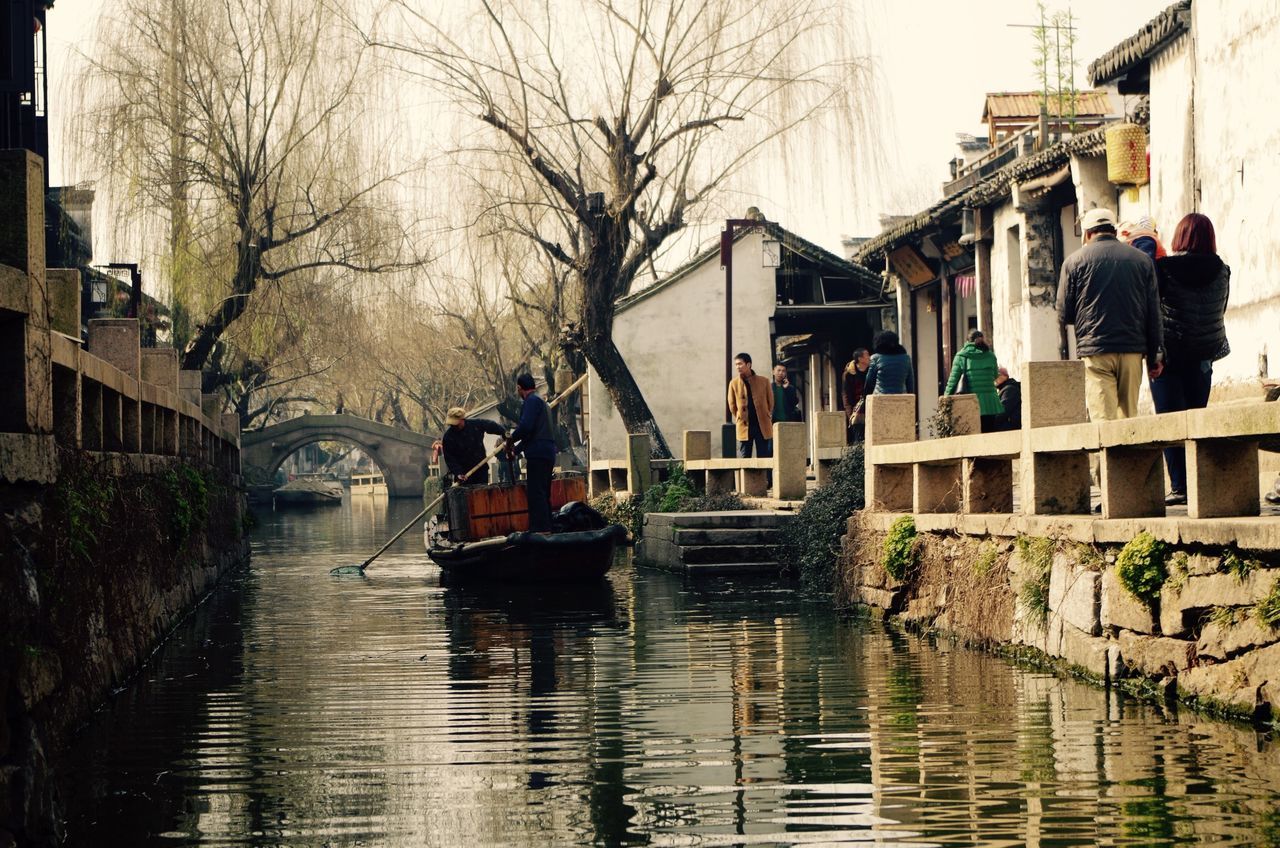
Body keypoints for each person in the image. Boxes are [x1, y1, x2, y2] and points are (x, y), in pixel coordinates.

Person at [1151, 212, 1231, 505]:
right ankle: (1199, 484)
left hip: (1169, 358)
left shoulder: (1163, 269)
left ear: (1179, 236)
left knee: (1170, 424)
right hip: (1203, 358)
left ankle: (1180, 487)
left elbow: (1153, 311)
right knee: (1197, 422)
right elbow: (1220, 308)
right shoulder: (1223, 270)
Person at [1056, 207, 1164, 422]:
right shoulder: (1142, 260)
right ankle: (1129, 456)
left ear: (1087, 234)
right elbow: (1154, 311)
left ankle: (1108, 456)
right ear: (1114, 231)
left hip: (1096, 351)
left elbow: (1065, 312)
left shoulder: (1074, 261)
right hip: (1133, 350)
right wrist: (1155, 356)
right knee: (1128, 420)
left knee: (1103, 422)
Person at [506, 374, 557, 532]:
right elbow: (531, 434)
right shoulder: (543, 404)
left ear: (520, 388)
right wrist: (516, 449)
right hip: (547, 452)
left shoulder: (531, 402)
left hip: (538, 454)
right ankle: (547, 527)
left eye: (517, 389)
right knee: (543, 492)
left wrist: (510, 439)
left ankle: (540, 529)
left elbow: (526, 428)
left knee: (536, 493)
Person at [943, 329, 1004, 432]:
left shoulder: (961, 356)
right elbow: (994, 375)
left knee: (974, 436)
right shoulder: (990, 355)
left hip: (971, 401)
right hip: (991, 402)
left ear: (967, 341)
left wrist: (945, 399)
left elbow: (953, 381)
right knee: (990, 434)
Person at [437, 406, 507, 486]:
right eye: (452, 425)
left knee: (481, 495)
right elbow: (450, 458)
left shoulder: (475, 424)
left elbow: (492, 426)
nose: (454, 427)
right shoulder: (448, 437)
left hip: (481, 469)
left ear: (462, 419)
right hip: (464, 475)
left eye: (456, 424)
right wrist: (458, 473)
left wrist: (505, 434)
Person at [727, 352, 773, 458]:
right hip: (744, 425)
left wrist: (767, 413)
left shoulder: (764, 381)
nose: (737, 367)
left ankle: (764, 475)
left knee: (763, 456)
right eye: (736, 364)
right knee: (745, 457)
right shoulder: (733, 383)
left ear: (748, 364)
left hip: (762, 425)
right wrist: (739, 415)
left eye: (740, 364)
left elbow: (770, 401)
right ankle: (745, 476)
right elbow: (732, 405)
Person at [864, 330, 914, 396]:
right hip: (900, 398)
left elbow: (869, 382)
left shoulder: (875, 358)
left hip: (880, 398)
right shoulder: (906, 358)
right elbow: (910, 382)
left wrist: (865, 398)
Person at [842, 348, 870, 442]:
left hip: (870, 407)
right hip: (856, 410)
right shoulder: (849, 374)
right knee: (858, 438)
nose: (869, 357)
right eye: (867, 355)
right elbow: (846, 394)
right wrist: (850, 413)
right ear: (860, 358)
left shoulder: (871, 370)